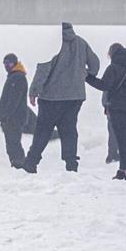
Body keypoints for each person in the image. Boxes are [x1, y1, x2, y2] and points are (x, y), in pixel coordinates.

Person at [23, 23, 100, 173]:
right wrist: (83, 74)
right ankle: (71, 164)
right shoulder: (81, 43)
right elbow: (95, 66)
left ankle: (31, 163)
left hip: (51, 97)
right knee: (69, 130)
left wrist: (34, 91)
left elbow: (43, 69)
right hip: (75, 97)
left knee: (43, 130)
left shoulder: (53, 43)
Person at [86, 44, 126, 180]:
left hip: (118, 109)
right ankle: (124, 170)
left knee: (122, 140)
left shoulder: (113, 68)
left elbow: (104, 85)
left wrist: (87, 77)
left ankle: (125, 171)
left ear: (112, 54)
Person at [0, 53, 29, 168]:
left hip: (15, 118)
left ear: (15, 63)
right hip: (12, 117)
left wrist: (6, 116)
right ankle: (18, 164)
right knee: (11, 142)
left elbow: (13, 100)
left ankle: (20, 164)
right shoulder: (13, 77)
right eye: (5, 63)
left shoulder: (17, 77)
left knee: (13, 142)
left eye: (9, 63)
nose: (6, 66)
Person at [103, 43, 125, 164]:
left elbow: (106, 88)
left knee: (113, 131)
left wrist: (106, 105)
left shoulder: (113, 68)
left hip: (115, 105)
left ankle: (112, 155)